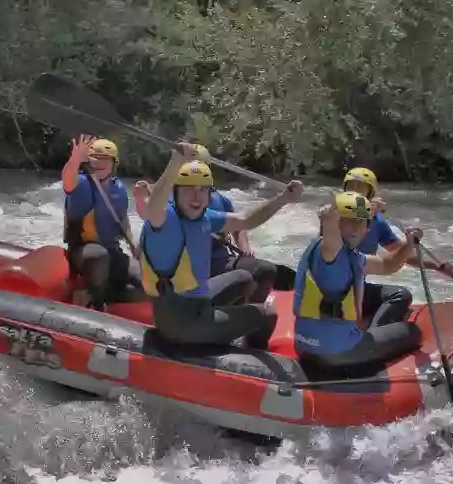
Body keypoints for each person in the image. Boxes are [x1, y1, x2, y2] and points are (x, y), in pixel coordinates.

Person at [139, 143, 302, 349]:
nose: (196, 197)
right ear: (176, 191)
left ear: (210, 193)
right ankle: (248, 357)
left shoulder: (205, 217)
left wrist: (284, 198)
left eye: (203, 190)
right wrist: (175, 164)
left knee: (243, 278)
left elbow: (245, 220)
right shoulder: (165, 220)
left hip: (196, 302)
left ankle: (221, 327)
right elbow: (154, 206)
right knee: (267, 314)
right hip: (180, 322)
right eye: (189, 189)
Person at [292, 191, 426, 372]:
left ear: (368, 227)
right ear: (336, 223)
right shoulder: (329, 252)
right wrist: (330, 217)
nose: (355, 228)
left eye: (361, 222)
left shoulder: (353, 257)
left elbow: (389, 265)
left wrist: (409, 243)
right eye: (347, 221)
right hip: (338, 353)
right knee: (412, 332)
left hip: (304, 348)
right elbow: (331, 240)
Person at [134, 144, 277, 304]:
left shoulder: (220, 200)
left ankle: (242, 309)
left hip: (219, 260)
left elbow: (239, 225)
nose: (196, 195)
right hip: (184, 267)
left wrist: (245, 249)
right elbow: (153, 222)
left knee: (263, 270)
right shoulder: (170, 201)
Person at [341, 166, 453, 324]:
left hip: (357, 288)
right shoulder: (337, 214)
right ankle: (373, 336)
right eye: (351, 187)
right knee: (400, 298)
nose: (355, 192)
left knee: (401, 297)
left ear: (371, 193)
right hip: (335, 288)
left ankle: (375, 331)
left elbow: (401, 256)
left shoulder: (378, 222)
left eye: (360, 188)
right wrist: (365, 214)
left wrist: (436, 265)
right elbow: (343, 245)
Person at [62, 134, 142, 309]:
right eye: (95, 157)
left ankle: (97, 295)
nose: (100, 162)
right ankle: (97, 305)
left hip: (112, 251)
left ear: (114, 163)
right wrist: (75, 159)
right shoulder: (81, 183)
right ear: (88, 161)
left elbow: (122, 219)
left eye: (105, 159)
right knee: (98, 255)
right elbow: (68, 181)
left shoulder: (118, 188)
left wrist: (133, 245)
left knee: (147, 283)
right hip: (82, 251)